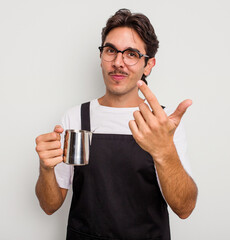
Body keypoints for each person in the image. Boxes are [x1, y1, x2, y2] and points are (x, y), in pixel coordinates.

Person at [35, 8, 198, 240]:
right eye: (111, 51)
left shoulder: (163, 123)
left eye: (131, 54)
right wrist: (45, 169)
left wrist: (164, 152)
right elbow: (49, 205)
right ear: (101, 56)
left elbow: (185, 208)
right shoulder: (76, 118)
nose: (118, 63)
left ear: (148, 65)